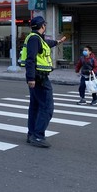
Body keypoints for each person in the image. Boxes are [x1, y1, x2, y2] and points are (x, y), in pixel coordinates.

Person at [23, 16, 66, 148]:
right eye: (45, 25)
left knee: (35, 107)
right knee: (47, 107)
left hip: (37, 77)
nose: (45, 27)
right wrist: (31, 78)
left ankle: (32, 134)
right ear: (42, 26)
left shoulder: (36, 38)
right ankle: (37, 135)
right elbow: (30, 59)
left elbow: (47, 44)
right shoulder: (34, 39)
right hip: (39, 78)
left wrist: (58, 41)